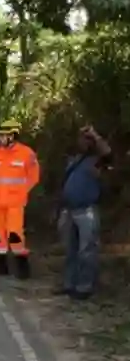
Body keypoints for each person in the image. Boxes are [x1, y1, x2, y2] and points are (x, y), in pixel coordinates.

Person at [56, 125, 112, 300]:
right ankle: (69, 284)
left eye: (87, 139)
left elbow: (108, 154)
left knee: (87, 250)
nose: (83, 141)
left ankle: (84, 287)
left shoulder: (97, 160)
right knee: (70, 249)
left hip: (86, 209)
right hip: (69, 210)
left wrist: (96, 135)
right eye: (82, 138)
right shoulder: (75, 159)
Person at [0, 119, 40, 279]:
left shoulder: (27, 153)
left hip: (15, 202)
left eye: (3, 136)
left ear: (13, 136)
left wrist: (21, 191)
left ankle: (22, 267)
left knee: (15, 234)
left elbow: (34, 176)